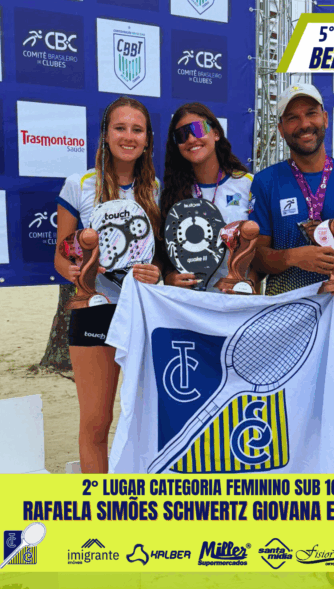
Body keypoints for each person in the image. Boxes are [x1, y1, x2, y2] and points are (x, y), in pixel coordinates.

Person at [249, 82, 334, 454]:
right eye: (292, 118)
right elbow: (257, 258)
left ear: (325, 118)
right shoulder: (266, 182)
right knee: (283, 430)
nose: (303, 124)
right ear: (281, 129)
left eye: (310, 113)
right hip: (282, 323)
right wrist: (294, 257)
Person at [54, 96, 162, 473]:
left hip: (144, 312)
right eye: (120, 127)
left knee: (149, 422)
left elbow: (159, 258)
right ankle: (98, 504)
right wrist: (76, 272)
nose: (128, 136)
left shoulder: (157, 189)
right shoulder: (79, 184)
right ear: (105, 134)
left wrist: (156, 272)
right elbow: (61, 256)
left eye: (137, 129)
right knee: (97, 423)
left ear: (147, 140)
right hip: (94, 311)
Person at [160, 102, 258, 291]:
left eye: (198, 129)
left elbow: (261, 248)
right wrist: (169, 277)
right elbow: (164, 254)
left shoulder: (248, 184)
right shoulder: (172, 194)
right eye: (181, 135)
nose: (191, 139)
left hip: (237, 301)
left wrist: (249, 285)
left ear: (216, 133)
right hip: (191, 302)